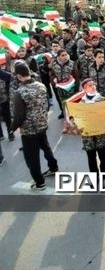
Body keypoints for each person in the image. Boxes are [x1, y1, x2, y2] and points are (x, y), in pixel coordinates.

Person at [9, 63, 59, 191]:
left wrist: (12, 128)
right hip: (42, 124)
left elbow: (19, 116)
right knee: (46, 147)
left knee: (32, 157)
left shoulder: (19, 92)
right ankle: (54, 167)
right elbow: (47, 105)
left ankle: (39, 182)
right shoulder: (41, 86)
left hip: (29, 130)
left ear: (19, 76)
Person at [77, 79, 105, 173]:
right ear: (84, 89)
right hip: (88, 137)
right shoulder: (80, 103)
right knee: (91, 159)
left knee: (103, 158)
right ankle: (94, 178)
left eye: (93, 84)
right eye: (90, 85)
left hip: (101, 136)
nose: (93, 86)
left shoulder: (102, 100)